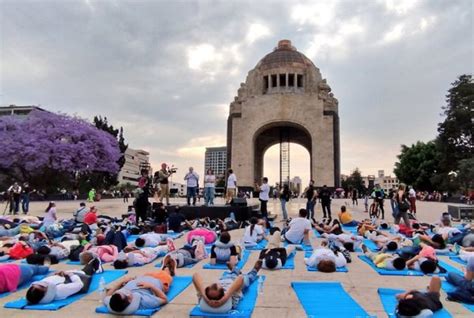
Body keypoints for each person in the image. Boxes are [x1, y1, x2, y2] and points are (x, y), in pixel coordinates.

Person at [192, 260, 262, 314]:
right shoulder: (231, 299)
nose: (216, 283)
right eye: (217, 285)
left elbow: (195, 275)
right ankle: (254, 270)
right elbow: (240, 278)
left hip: (226, 278)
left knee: (232, 274)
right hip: (237, 284)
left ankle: (234, 270)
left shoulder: (205, 298)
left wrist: (205, 297)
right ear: (222, 291)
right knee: (248, 278)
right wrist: (226, 297)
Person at [104, 262, 175, 315]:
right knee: (165, 273)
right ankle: (168, 268)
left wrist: (121, 282)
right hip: (160, 281)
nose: (124, 291)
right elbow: (164, 299)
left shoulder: (116, 299)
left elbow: (107, 296)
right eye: (126, 294)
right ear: (129, 300)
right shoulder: (144, 301)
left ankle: (164, 268)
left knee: (154, 272)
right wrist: (151, 286)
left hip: (143, 277)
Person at [25, 258, 101, 304]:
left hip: (64, 275)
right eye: (41, 286)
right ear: (44, 292)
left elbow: (48, 280)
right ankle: (95, 263)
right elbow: (79, 285)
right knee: (89, 266)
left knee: (89, 265)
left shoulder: (43, 288)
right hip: (77, 276)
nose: (41, 284)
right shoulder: (59, 291)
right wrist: (70, 274)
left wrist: (56, 274)